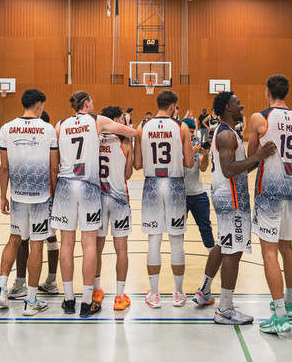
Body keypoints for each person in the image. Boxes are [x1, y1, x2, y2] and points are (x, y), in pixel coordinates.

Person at [53, 91, 135, 318]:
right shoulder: (97, 120)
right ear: (87, 103)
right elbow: (131, 132)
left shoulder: (60, 125)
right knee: (89, 245)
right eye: (93, 103)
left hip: (65, 185)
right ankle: (87, 302)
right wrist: (122, 125)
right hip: (89, 186)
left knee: (66, 245)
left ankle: (69, 300)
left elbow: (55, 158)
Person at [194, 92, 274, 325]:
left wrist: (258, 159)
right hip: (232, 199)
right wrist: (257, 155)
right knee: (234, 251)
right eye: (238, 103)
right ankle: (225, 309)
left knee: (223, 245)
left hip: (226, 194)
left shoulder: (227, 132)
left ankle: (204, 291)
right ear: (228, 107)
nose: (242, 105)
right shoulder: (227, 134)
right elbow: (230, 169)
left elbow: (236, 167)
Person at [246, 74, 292, 336]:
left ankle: (280, 316)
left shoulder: (260, 118)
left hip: (269, 191)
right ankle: (290, 302)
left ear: (267, 92)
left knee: (269, 252)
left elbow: (251, 157)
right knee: (287, 246)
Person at [0, 89, 58, 316]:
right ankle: (31, 301)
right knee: (37, 244)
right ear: (39, 105)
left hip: (17, 195)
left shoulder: (6, 128)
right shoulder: (48, 128)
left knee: (13, 239)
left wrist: (3, 195)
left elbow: (3, 167)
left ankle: (1, 290)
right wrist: (56, 189)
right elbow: (53, 167)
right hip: (41, 197)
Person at [135, 89, 194, 309]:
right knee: (176, 240)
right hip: (175, 184)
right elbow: (189, 162)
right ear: (173, 106)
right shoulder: (181, 127)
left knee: (154, 239)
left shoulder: (143, 126)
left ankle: (155, 294)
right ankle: (178, 294)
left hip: (151, 184)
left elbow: (137, 165)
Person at [95, 106, 135, 311]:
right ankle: (119, 297)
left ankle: (96, 290)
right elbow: (128, 175)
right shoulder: (125, 142)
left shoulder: (94, 139)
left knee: (96, 248)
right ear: (117, 119)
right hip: (119, 198)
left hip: (98, 198)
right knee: (121, 248)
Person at [185, 138, 214, 252]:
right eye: (189, 132)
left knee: (206, 227)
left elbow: (203, 168)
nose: (191, 134)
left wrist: (206, 155)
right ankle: (178, 257)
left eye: (192, 132)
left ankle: (212, 255)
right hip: (181, 194)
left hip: (198, 194)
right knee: (178, 229)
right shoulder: (177, 146)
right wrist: (191, 153)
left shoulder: (195, 147)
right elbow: (175, 165)